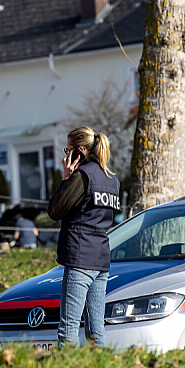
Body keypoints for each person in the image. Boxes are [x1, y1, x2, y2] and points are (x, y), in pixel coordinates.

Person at [47, 126, 120, 348]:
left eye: (67, 150)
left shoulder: (81, 176)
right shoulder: (112, 179)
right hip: (101, 259)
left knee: (68, 329)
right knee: (97, 330)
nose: (65, 155)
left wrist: (66, 177)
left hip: (80, 257)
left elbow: (55, 211)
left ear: (78, 151)